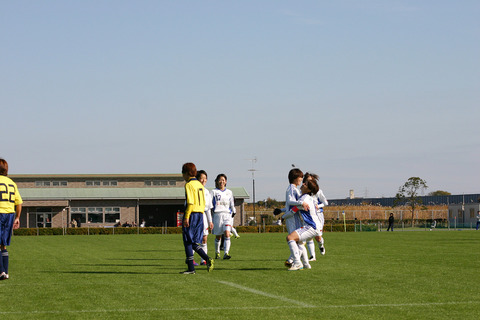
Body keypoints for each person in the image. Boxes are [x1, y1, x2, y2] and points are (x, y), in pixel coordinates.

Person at [180, 162, 214, 274]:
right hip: (200, 214)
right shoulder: (200, 185)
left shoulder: (189, 185)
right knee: (194, 242)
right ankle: (207, 259)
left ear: (186, 173)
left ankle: (191, 268)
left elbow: (190, 202)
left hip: (192, 214)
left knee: (187, 241)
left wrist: (186, 217)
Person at [275, 168, 310, 269]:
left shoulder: (294, 189)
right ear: (295, 178)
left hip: (294, 217)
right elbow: (290, 202)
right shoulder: (291, 188)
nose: (301, 179)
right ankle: (302, 263)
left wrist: (282, 211)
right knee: (298, 241)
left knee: (298, 241)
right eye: (300, 177)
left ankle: (299, 262)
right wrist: (301, 203)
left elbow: (291, 205)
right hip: (292, 218)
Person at [284, 179, 321, 271]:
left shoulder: (303, 199)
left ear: (308, 190)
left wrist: (283, 216)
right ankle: (306, 264)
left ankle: (297, 263)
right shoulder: (308, 198)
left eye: (305, 184)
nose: (303, 184)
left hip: (311, 226)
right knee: (300, 243)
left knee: (290, 238)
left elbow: (292, 209)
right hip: (314, 226)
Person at [0, 158, 23, 280]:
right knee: (3, 245)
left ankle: (1, 271)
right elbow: (19, 202)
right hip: (10, 214)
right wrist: (18, 217)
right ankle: (5, 272)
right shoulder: (12, 183)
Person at [211, 174, 236, 259]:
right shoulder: (214, 192)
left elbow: (232, 203)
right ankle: (217, 253)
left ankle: (226, 253)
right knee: (218, 236)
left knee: (227, 233)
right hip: (217, 215)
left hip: (227, 215)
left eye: (223, 180)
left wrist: (234, 210)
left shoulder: (229, 192)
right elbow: (209, 203)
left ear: (226, 181)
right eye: (220, 180)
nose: (222, 182)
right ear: (217, 181)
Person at [303, 172, 327, 260]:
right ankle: (312, 256)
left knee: (318, 237)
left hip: (318, 216)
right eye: (307, 181)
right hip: (308, 216)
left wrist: (318, 206)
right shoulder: (304, 193)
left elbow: (325, 203)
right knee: (309, 236)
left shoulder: (318, 192)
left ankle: (321, 245)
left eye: (310, 181)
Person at [195, 170, 213, 265]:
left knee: (204, 238)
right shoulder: (194, 190)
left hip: (204, 216)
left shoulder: (207, 192)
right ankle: (191, 259)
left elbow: (208, 209)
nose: (203, 180)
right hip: (195, 215)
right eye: (201, 178)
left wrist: (210, 221)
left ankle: (203, 260)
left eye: (205, 178)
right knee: (194, 239)